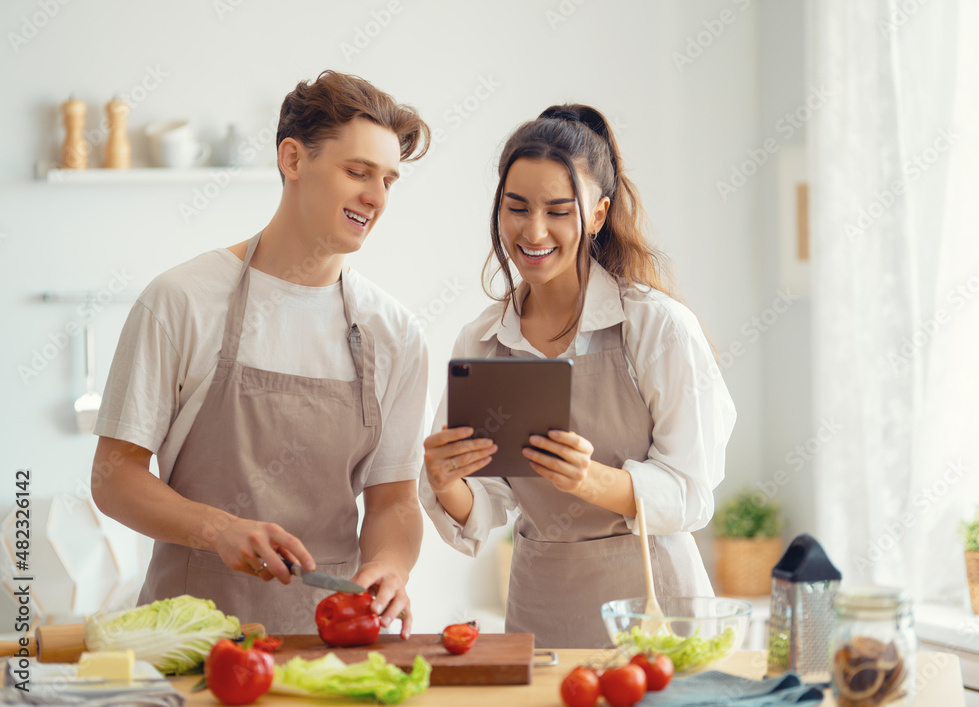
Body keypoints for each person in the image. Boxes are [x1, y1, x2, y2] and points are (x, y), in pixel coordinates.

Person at [91, 70, 431, 637]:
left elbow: (395, 499)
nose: (376, 197)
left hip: (332, 639)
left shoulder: (394, 333)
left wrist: (391, 567)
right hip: (191, 638)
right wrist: (216, 528)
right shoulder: (180, 300)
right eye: (357, 172)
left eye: (389, 180)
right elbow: (112, 477)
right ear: (293, 160)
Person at [420, 104, 737, 648]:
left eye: (559, 211)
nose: (533, 230)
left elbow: (692, 490)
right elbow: (488, 501)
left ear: (597, 214)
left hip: (653, 610)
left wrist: (589, 479)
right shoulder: (484, 343)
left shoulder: (655, 328)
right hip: (541, 611)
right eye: (516, 207)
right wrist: (446, 480)